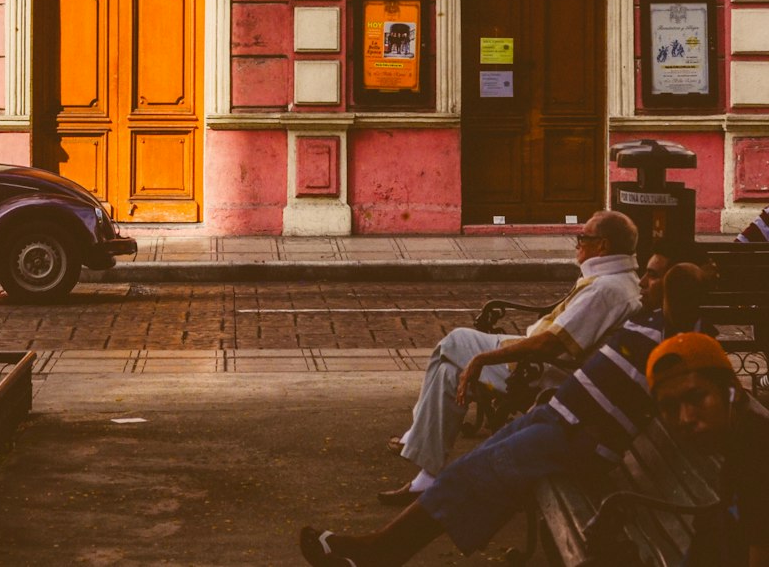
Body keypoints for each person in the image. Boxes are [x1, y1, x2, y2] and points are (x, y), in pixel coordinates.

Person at [298, 249, 702, 567]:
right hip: (557, 417)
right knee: (468, 473)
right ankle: (377, 552)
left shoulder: (678, 336)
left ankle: (376, 553)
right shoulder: (645, 318)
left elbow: (686, 295)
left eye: (654, 275)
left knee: (470, 477)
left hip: (576, 438)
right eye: (645, 271)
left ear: (675, 288)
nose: (643, 280)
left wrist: (685, 279)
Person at [385, 209, 641, 500]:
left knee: (454, 341)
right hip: (542, 359)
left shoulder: (606, 289)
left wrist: (481, 359)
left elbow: (550, 345)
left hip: (541, 370)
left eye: (583, 237)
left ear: (603, 245)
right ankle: (427, 477)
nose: (578, 243)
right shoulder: (616, 279)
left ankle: (416, 435)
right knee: (450, 373)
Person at [647, 331, 769, 567]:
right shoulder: (742, 443)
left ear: (731, 391)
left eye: (697, 397)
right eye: (670, 407)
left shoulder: (757, 459)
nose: (685, 418)